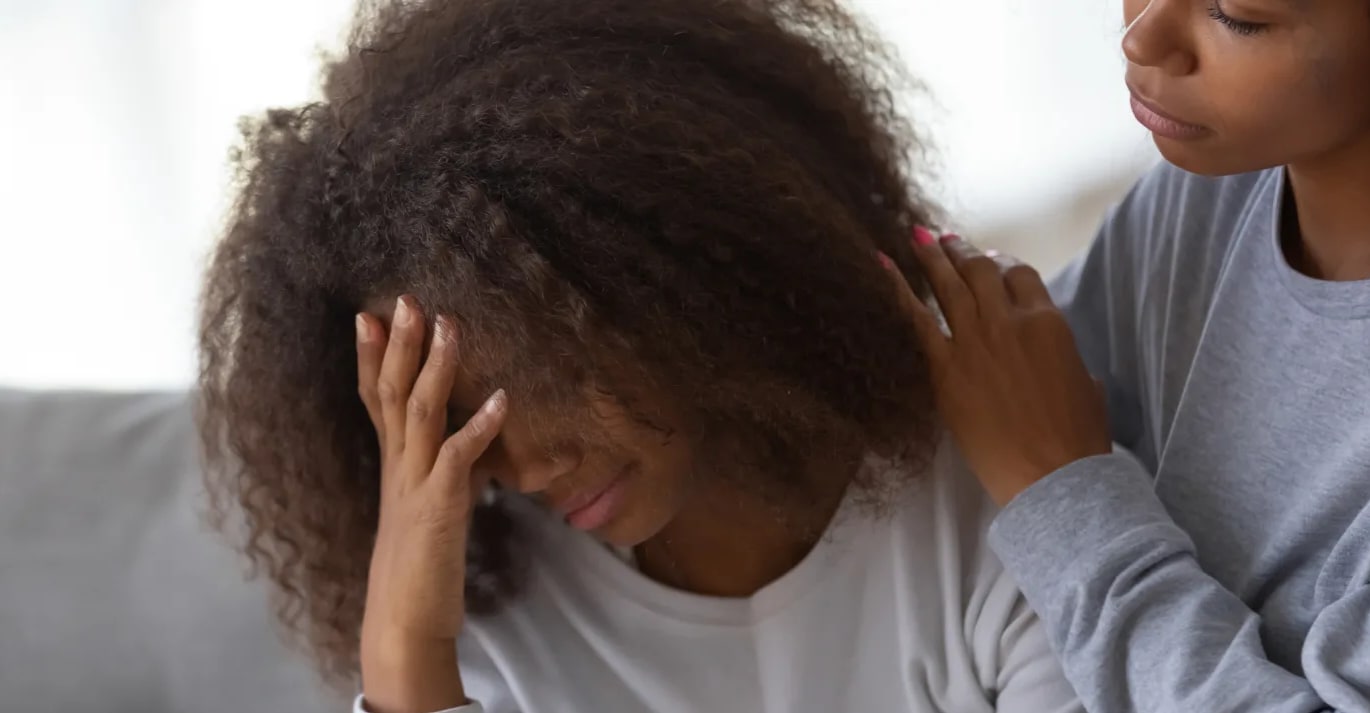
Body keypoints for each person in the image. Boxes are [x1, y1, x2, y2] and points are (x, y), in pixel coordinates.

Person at [195, 0, 1082, 712]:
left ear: (664, 280)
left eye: (534, 384)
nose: (527, 466)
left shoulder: (993, 504)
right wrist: (404, 647)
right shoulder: (491, 623)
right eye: (459, 422)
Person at [886, 0, 1370, 711]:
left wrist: (1058, 491)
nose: (1142, 35)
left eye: (1236, 16)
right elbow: (1010, 404)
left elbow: (1041, 458)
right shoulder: (1213, 191)